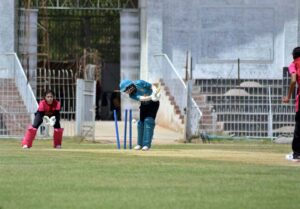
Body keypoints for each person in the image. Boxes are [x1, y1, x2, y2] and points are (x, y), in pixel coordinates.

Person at [119, 79, 160, 151]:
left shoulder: (140, 83)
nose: (126, 92)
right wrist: (151, 96)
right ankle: (139, 144)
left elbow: (151, 86)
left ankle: (146, 145)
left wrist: (155, 91)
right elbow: (142, 98)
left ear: (130, 86)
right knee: (141, 123)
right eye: (125, 91)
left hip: (154, 104)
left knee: (148, 121)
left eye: (126, 89)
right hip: (144, 104)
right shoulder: (131, 95)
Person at [283, 46, 300, 161]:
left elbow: (293, 79)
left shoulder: (293, 64)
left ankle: (296, 154)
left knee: (299, 127)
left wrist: (288, 96)